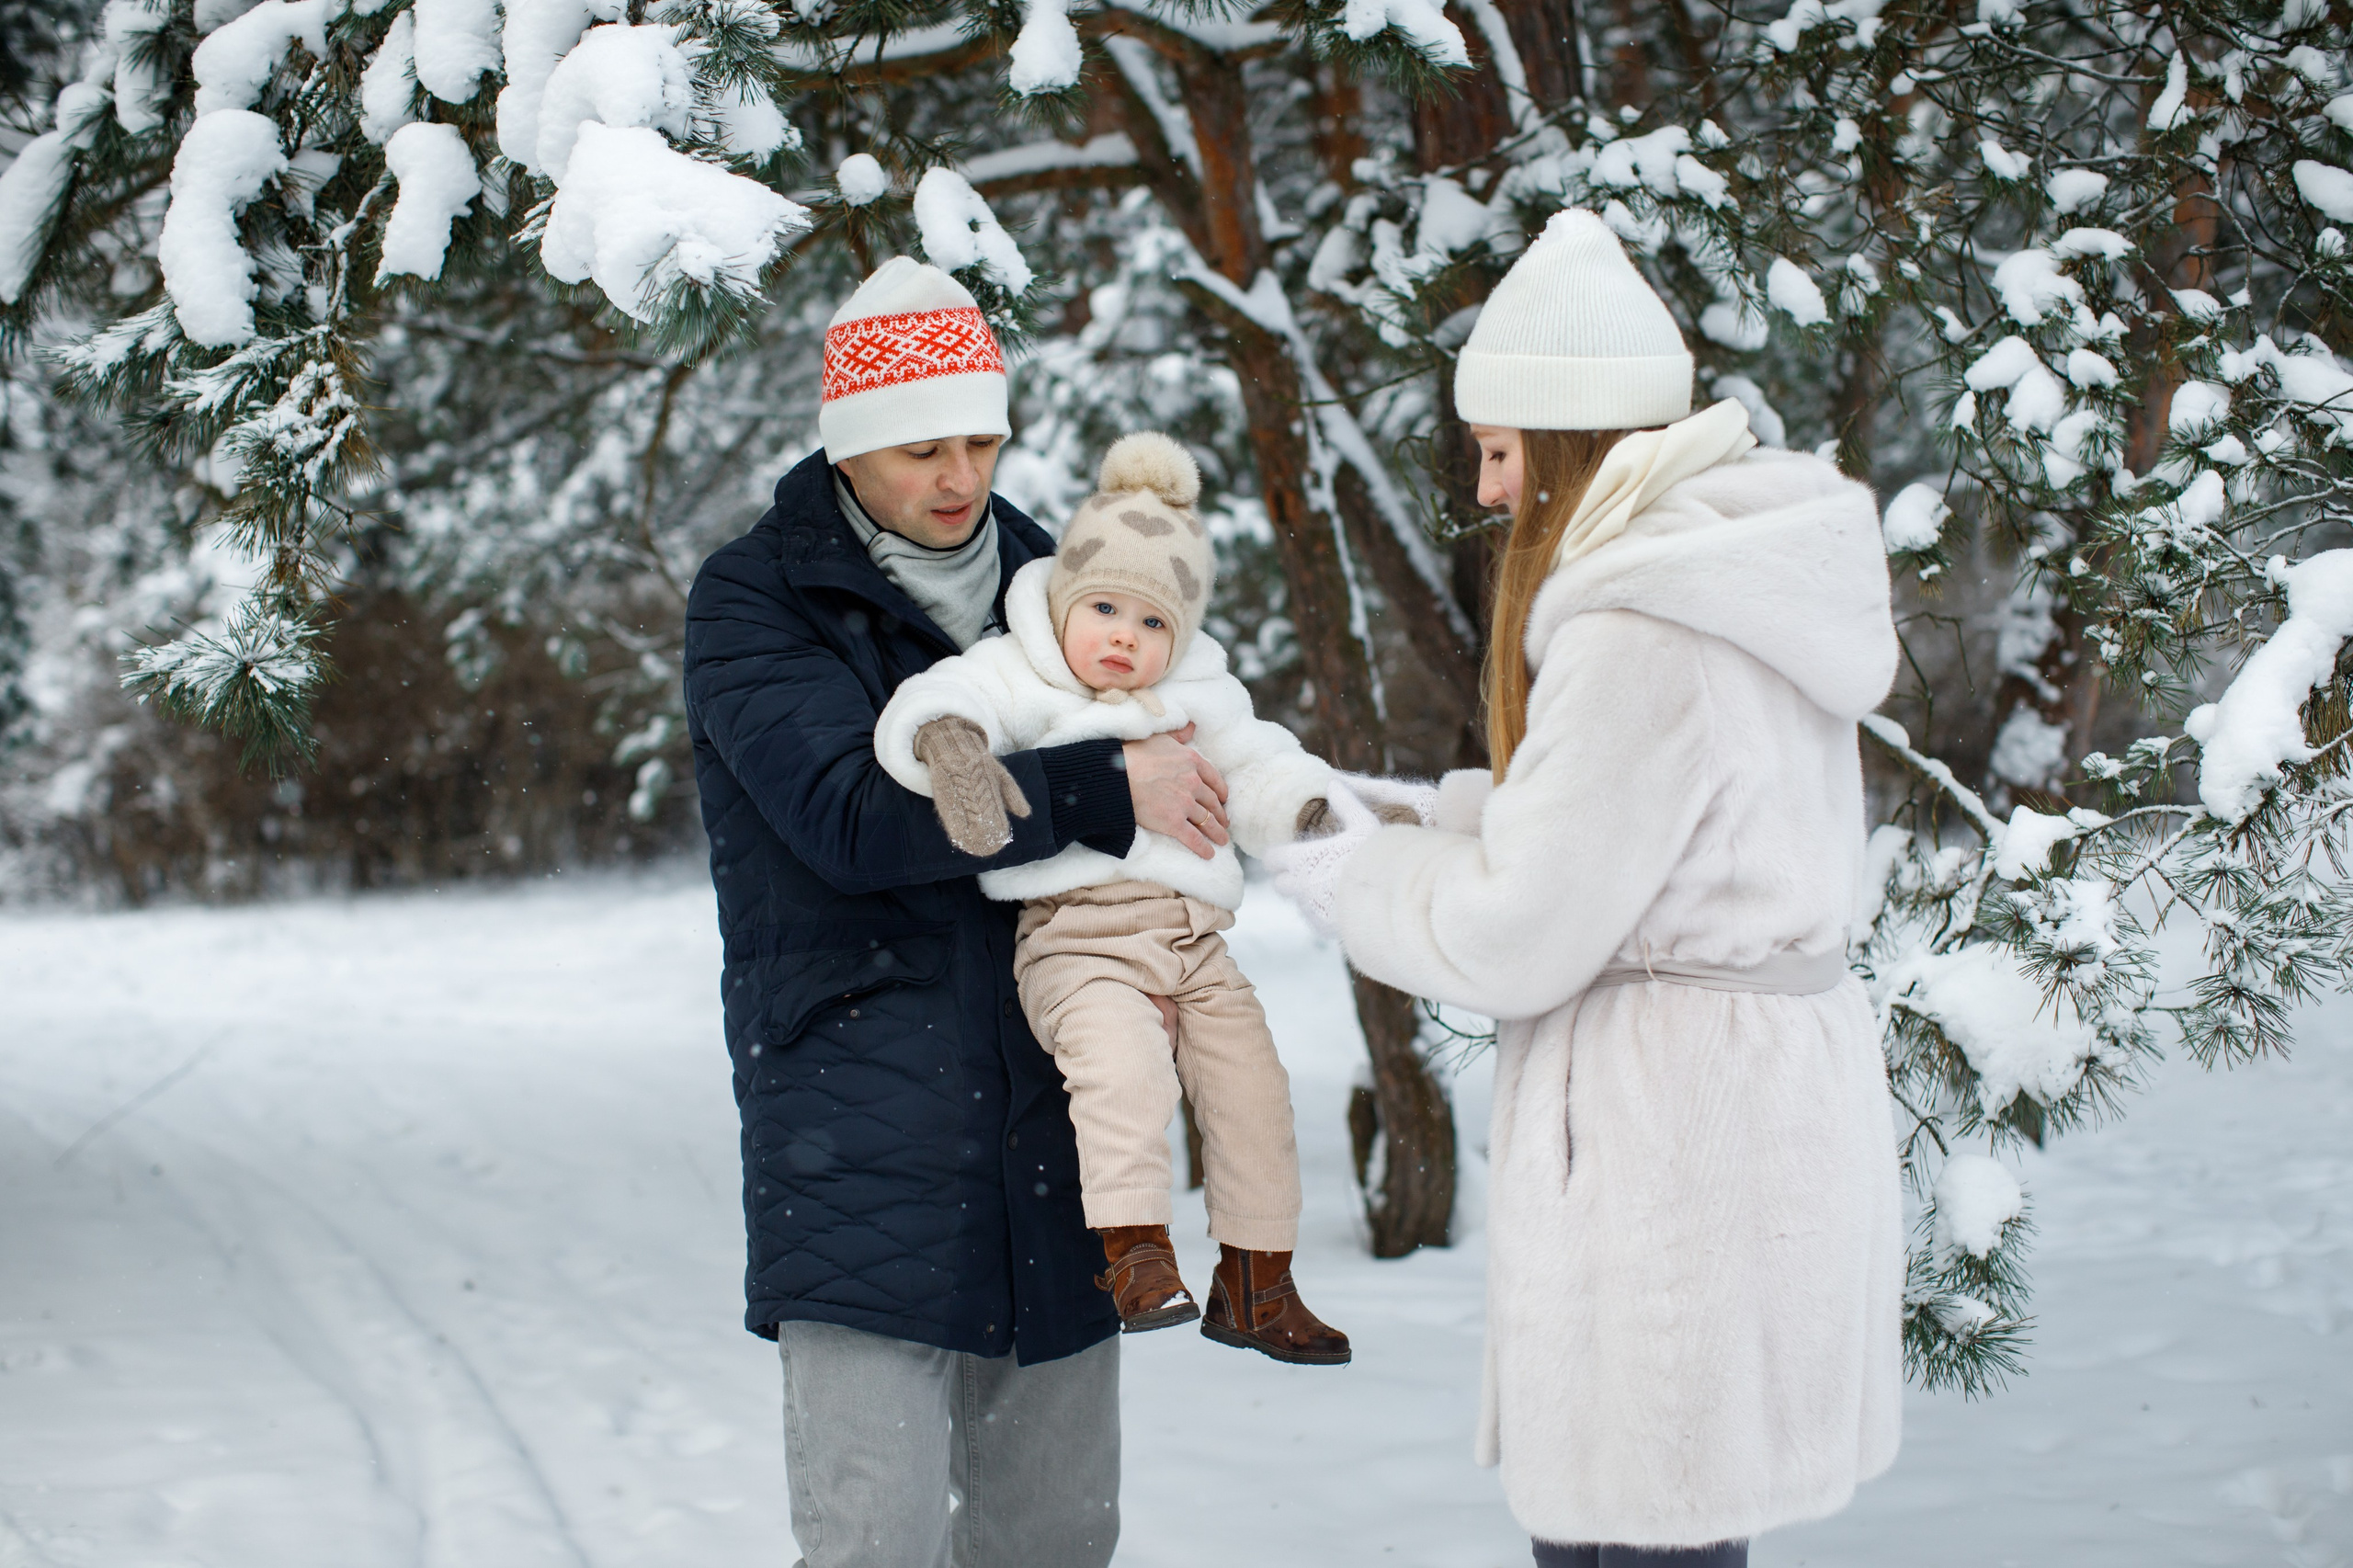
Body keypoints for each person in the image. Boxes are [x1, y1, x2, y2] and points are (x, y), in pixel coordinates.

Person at [1269, 209, 1905, 1565]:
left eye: (1501, 449)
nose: (1488, 488)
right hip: (1740, 1095)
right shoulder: (1722, 581)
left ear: (1568, 440)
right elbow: (1628, 843)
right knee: (1669, 1522)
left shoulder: (1641, 627)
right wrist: (1400, 813)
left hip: (1676, 1128)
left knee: (1648, 1529)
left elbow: (1516, 931)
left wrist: (1340, 867)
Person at [681, 256, 1234, 1568]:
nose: (960, 477)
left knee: (1055, 1537)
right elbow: (854, 819)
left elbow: (1183, 776)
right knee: (873, 1538)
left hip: (1056, 1116)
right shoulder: (759, 598)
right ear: (849, 445)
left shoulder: (1059, 577)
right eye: (921, 448)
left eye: (982, 441)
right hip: (859, 1121)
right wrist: (1102, 786)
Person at [872, 429, 1364, 1365]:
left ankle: (1257, 1282)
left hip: (1193, 940)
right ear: (1065, 602)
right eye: (1103, 608)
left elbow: (1259, 765)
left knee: (1254, 1089)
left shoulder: (1197, 692)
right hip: (1077, 939)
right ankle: (1134, 1255)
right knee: (1123, 1074)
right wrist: (952, 744)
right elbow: (940, 697)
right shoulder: (1022, 666)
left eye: (1151, 623)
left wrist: (1314, 815)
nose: (1124, 637)